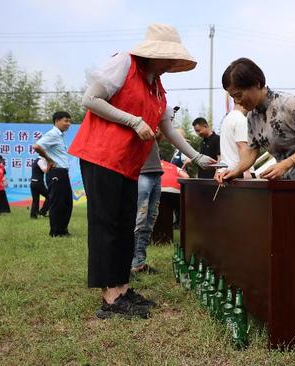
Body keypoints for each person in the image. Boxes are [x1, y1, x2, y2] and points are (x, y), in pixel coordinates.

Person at [68, 23, 214, 320]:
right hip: (101, 156)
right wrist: (133, 121)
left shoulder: (156, 86)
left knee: (124, 225)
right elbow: (90, 99)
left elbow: (169, 129)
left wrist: (198, 156)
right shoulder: (124, 63)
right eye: (168, 58)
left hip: (127, 164)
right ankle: (110, 299)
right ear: (154, 53)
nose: (171, 65)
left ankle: (122, 289)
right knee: (107, 224)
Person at [216, 58, 295, 182]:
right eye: (233, 97)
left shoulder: (289, 104)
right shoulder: (252, 116)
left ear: (257, 84)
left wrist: (286, 164)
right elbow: (251, 152)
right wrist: (235, 171)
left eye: (239, 95)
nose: (237, 102)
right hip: (286, 182)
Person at [33, 111, 73, 237]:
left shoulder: (59, 136)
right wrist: (49, 160)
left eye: (69, 121)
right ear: (57, 121)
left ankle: (63, 230)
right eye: (66, 120)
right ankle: (55, 232)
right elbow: (37, 146)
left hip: (62, 173)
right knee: (57, 202)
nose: (69, 124)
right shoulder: (52, 134)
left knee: (67, 202)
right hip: (55, 172)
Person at [131, 133, 164, 274]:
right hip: (141, 172)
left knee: (149, 221)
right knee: (138, 220)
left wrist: (158, 133)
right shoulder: (135, 117)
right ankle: (127, 264)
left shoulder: (154, 119)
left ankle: (139, 263)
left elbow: (157, 139)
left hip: (156, 172)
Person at [219, 103, 253, 178]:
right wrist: (246, 171)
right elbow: (243, 146)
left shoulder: (227, 119)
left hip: (225, 171)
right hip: (239, 172)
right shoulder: (241, 120)